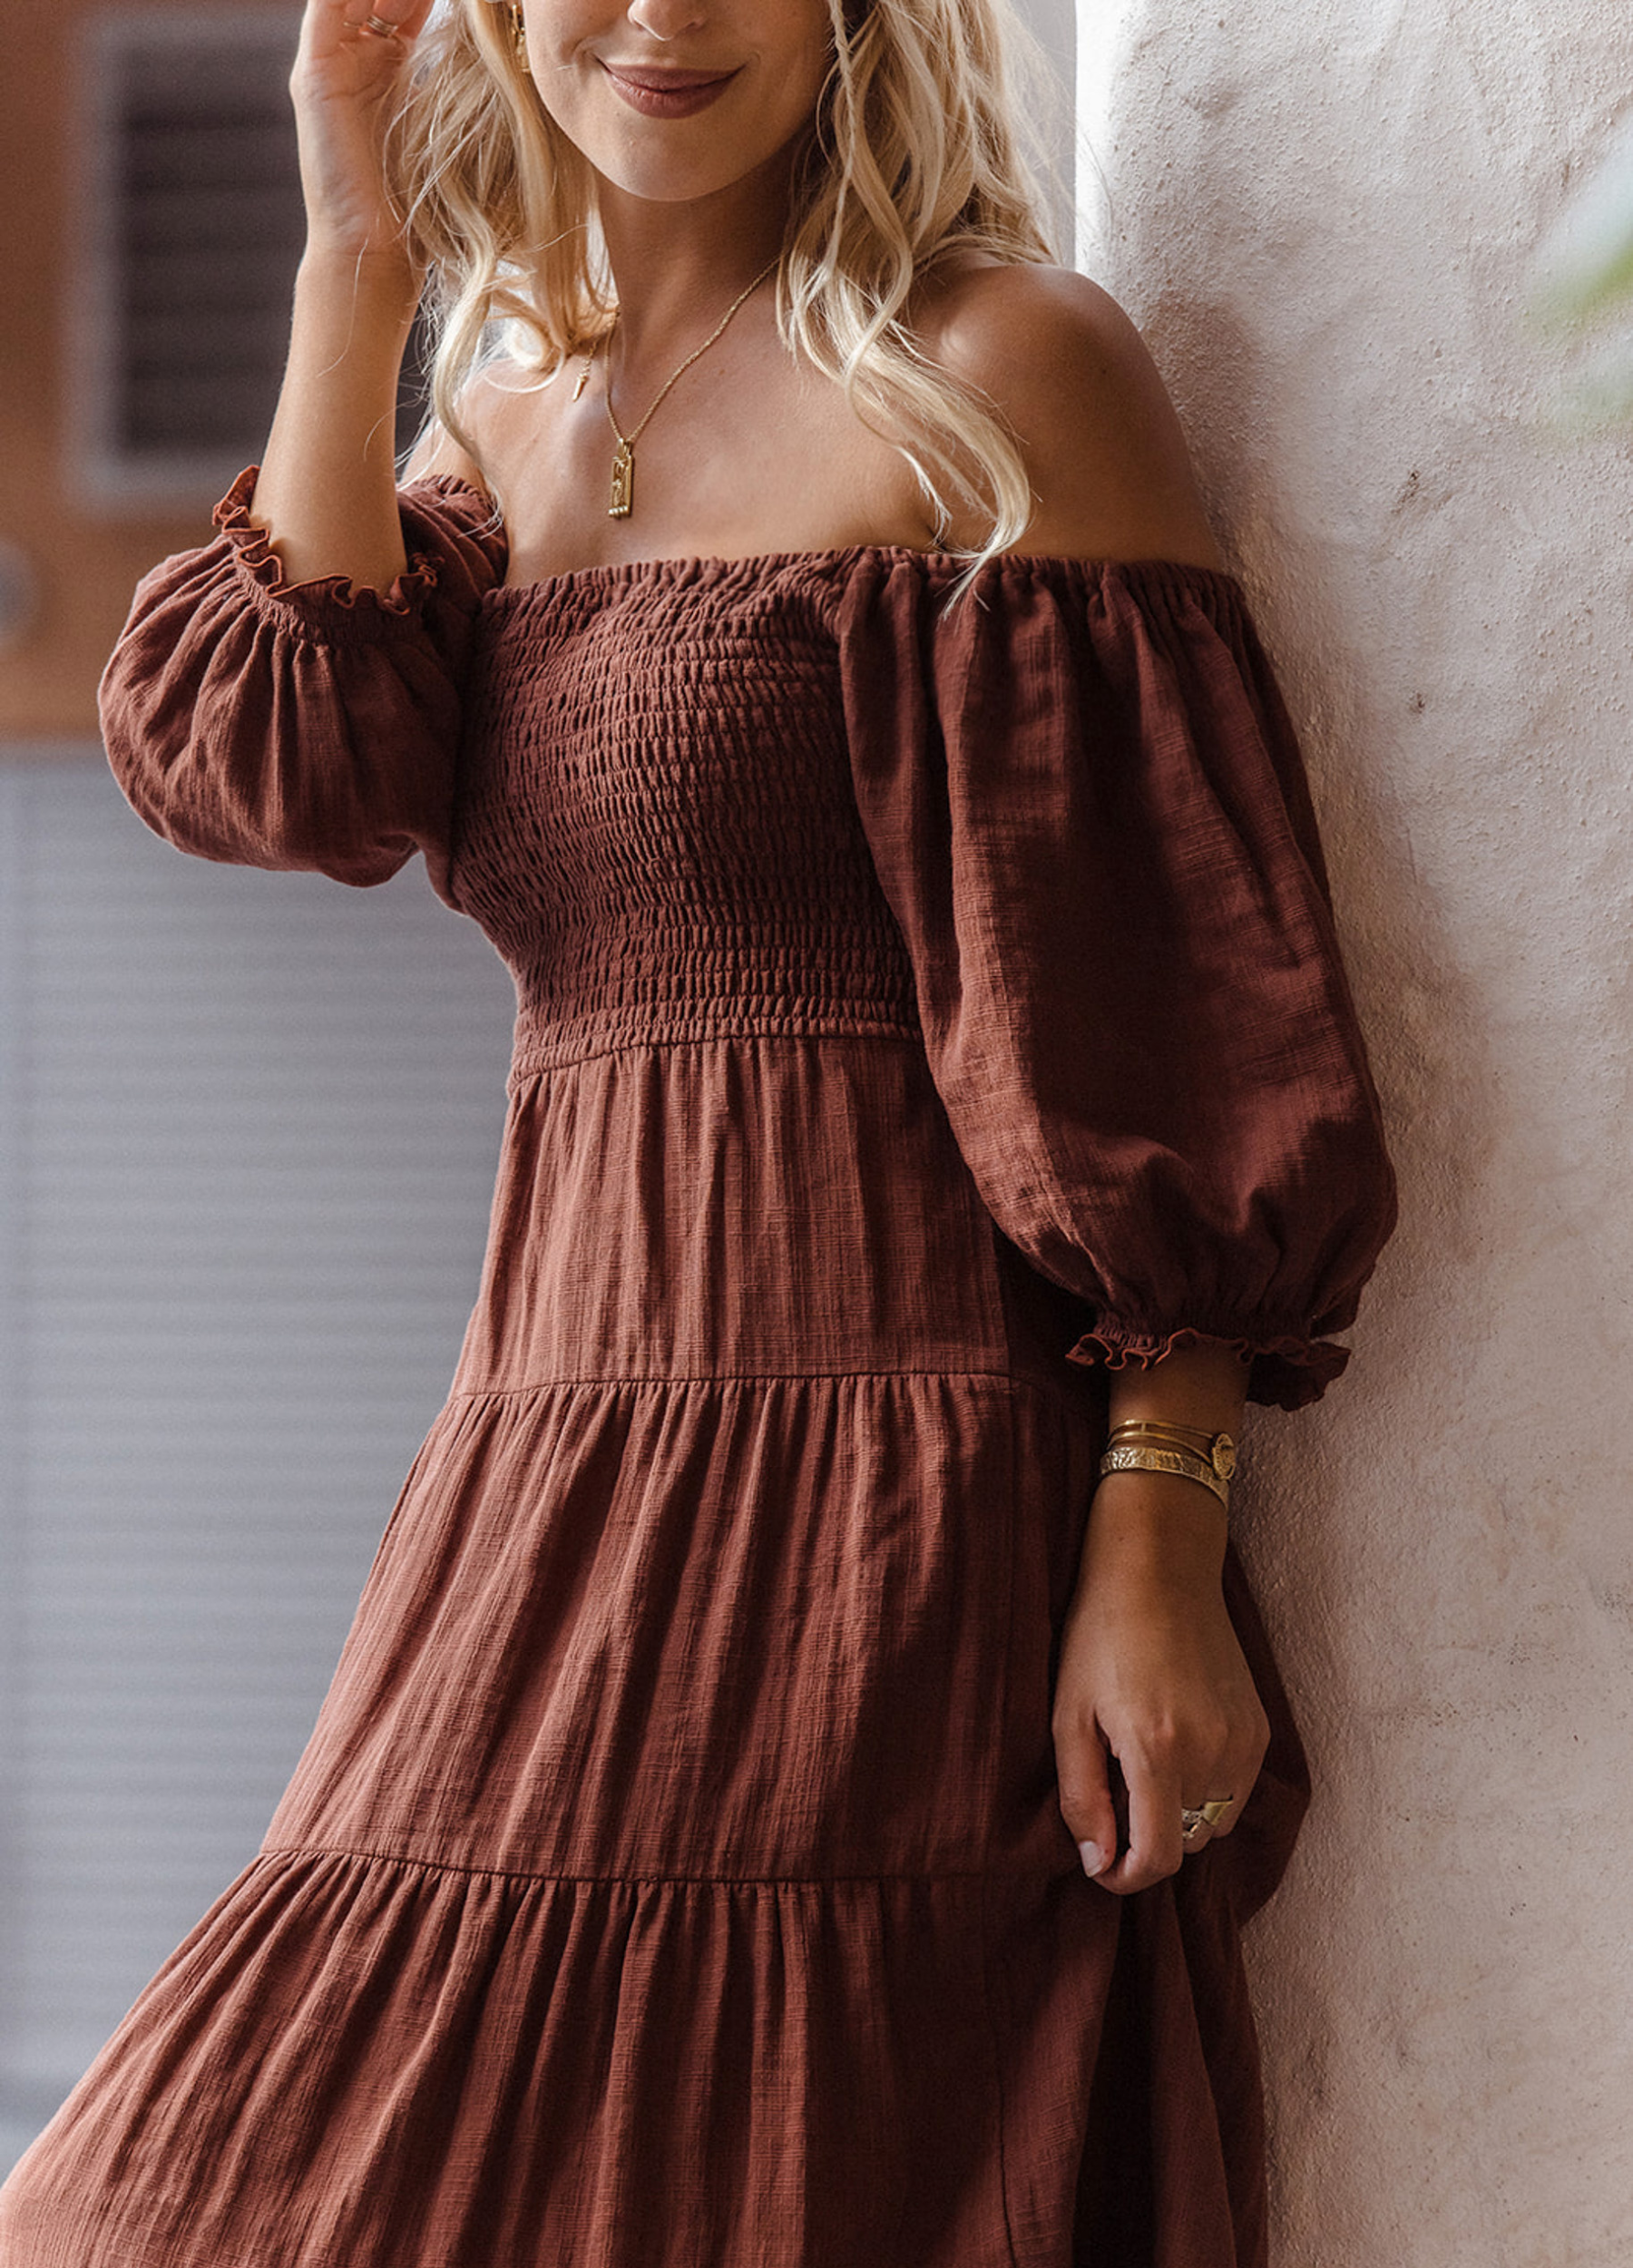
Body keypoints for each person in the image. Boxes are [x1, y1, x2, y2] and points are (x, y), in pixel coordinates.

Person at [0, 0, 1397, 2259]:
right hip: (549, 1448)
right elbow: (288, 763)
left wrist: (1159, 1525)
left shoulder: (1002, 369)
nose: (663, 19)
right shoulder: (507, 412)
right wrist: (354, 239)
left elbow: (1173, 990)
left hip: (895, 1484)